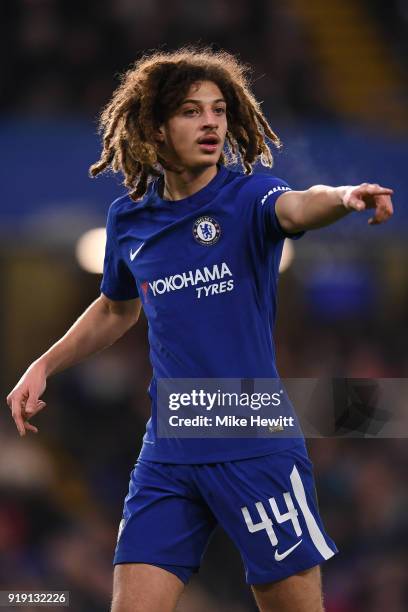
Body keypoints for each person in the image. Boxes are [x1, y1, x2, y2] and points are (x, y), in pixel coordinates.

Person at [7, 47, 393, 612]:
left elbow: (297, 207)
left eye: (218, 109)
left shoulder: (247, 198)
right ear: (156, 129)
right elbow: (116, 308)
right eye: (191, 111)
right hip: (169, 447)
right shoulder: (130, 219)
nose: (211, 121)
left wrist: (340, 197)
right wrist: (44, 364)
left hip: (252, 440)